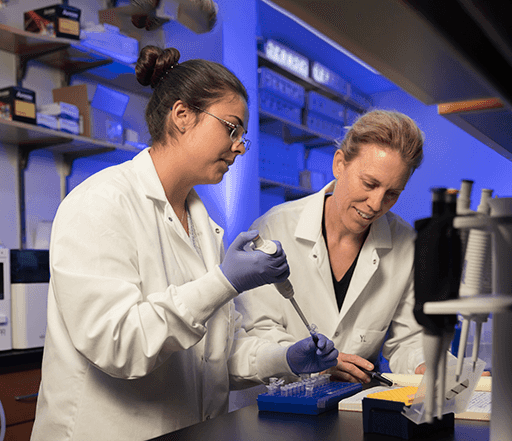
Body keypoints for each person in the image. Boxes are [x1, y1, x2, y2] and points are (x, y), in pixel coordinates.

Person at [30, 45, 338, 441]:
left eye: (243, 135)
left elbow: (214, 355)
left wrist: (287, 357)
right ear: (182, 116)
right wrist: (222, 283)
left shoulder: (203, 226)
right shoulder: (101, 202)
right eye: (232, 128)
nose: (241, 146)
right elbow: (120, 343)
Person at [235, 109, 446, 385]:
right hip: (282, 404)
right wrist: (311, 363)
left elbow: (406, 341)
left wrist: (424, 364)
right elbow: (256, 332)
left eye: (392, 193)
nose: (376, 203)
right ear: (339, 164)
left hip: (353, 403)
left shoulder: (406, 243)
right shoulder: (274, 228)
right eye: (369, 183)